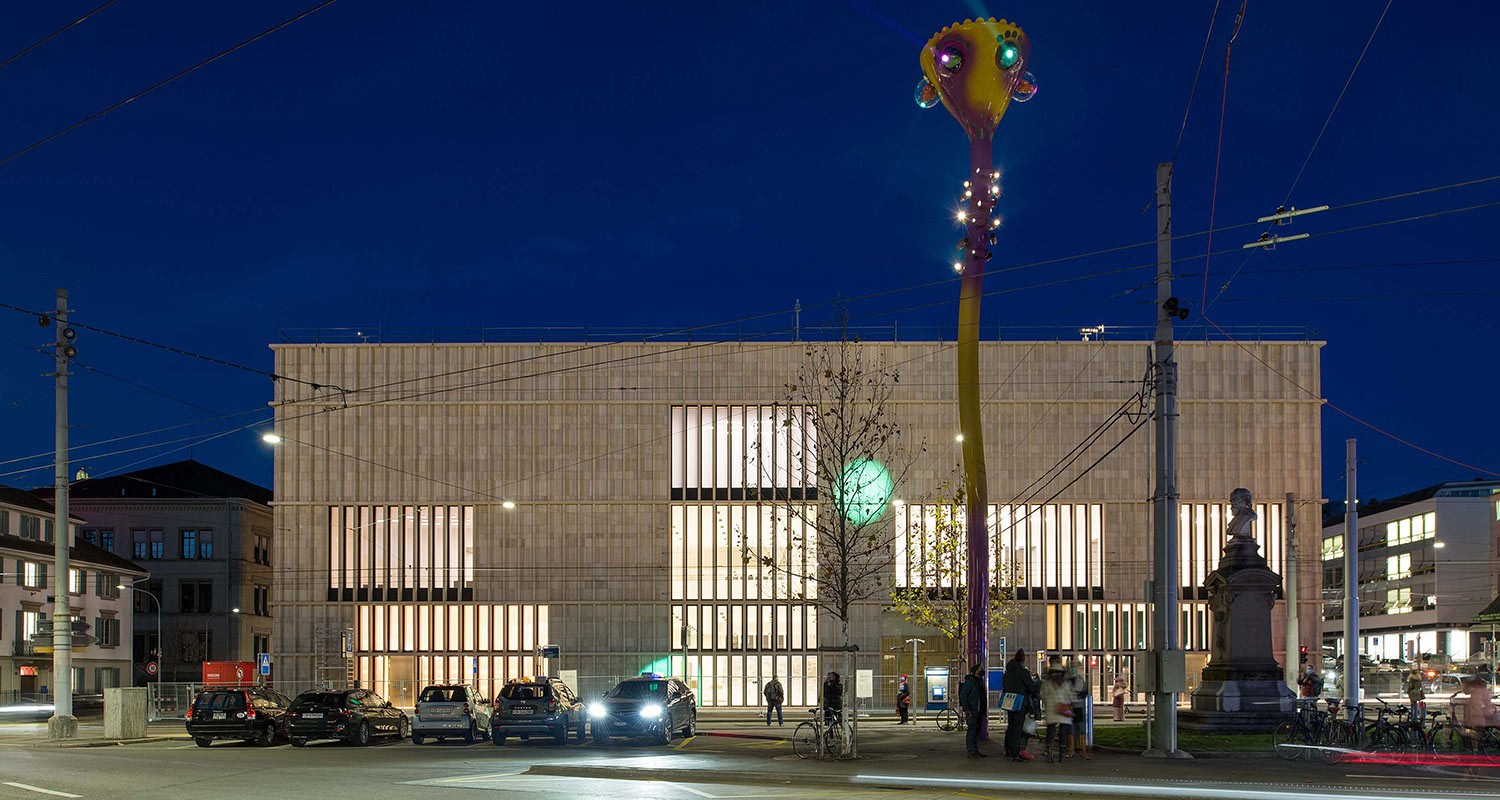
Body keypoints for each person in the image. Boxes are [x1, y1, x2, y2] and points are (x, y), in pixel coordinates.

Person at [1002, 648, 1039, 761]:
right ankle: (1015, 753)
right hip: (1020, 702)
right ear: (1022, 660)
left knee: (1011, 726)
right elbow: (1031, 688)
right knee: (1018, 728)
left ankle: (1008, 749)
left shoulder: (1007, 673)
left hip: (1009, 701)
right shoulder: (1022, 672)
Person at [1039, 658, 1074, 763]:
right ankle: (1062, 755)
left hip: (1051, 710)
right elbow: (1071, 697)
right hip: (1063, 711)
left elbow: (1043, 696)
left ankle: (1049, 752)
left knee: (1051, 732)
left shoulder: (1047, 684)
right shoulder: (1066, 684)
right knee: (1063, 733)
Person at [958, 663, 987, 758]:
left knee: (976, 731)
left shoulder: (980, 681)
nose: (982, 670)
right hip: (972, 711)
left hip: (979, 711)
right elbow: (963, 695)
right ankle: (971, 751)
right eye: (980, 669)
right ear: (975, 671)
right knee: (972, 731)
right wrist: (967, 709)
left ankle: (975, 750)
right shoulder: (970, 682)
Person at [1064, 661, 1091, 760]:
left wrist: (1076, 694)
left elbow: (1084, 693)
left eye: (1074, 667)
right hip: (1069, 706)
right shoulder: (1066, 680)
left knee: (1081, 728)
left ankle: (1083, 750)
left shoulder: (1080, 679)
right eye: (1071, 667)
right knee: (1070, 729)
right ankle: (1071, 749)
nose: (1072, 669)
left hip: (1078, 706)